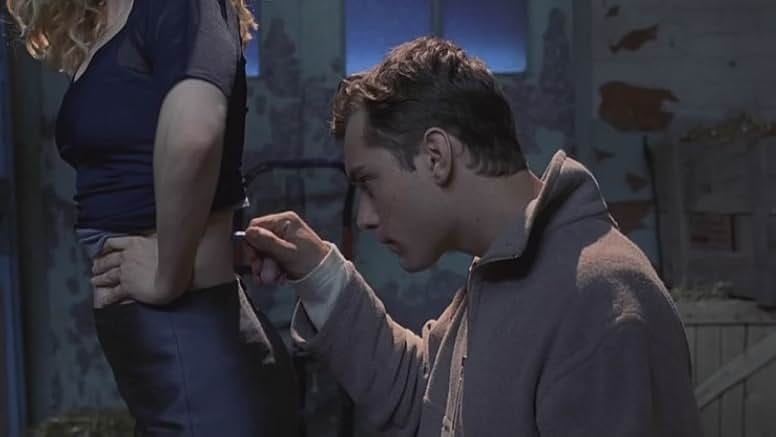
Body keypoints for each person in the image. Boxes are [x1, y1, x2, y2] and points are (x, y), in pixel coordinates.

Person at [243, 37, 703, 436]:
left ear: (436, 156)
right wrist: (319, 273)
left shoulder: (598, 298)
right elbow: (423, 394)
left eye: (368, 181)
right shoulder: (507, 270)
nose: (363, 216)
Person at [6, 0, 298, 435]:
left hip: (194, 354)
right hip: (166, 362)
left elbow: (194, 134)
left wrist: (167, 276)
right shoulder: (118, 15)